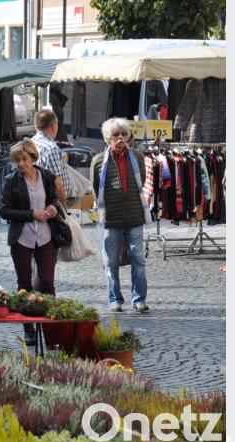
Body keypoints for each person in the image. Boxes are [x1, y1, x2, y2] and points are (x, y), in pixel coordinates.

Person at [90, 118, 149, 313]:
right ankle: (115, 299)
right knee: (111, 262)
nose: (121, 137)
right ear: (108, 138)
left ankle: (139, 300)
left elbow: (142, 185)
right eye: (116, 134)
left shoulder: (139, 158)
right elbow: (95, 189)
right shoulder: (98, 161)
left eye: (124, 133)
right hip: (111, 219)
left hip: (134, 217)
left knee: (138, 260)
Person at [0, 139, 60, 294]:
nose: (21, 164)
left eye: (24, 159)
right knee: (24, 284)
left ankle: (49, 317)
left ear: (33, 158)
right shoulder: (11, 181)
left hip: (45, 236)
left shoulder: (46, 177)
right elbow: (4, 210)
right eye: (17, 160)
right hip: (21, 238)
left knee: (47, 282)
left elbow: (54, 199)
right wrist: (31, 214)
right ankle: (27, 317)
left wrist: (53, 207)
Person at [31, 110, 71, 207]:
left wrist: (62, 158)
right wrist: (65, 208)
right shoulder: (51, 148)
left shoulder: (31, 142)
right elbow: (57, 183)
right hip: (52, 202)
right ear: (53, 126)